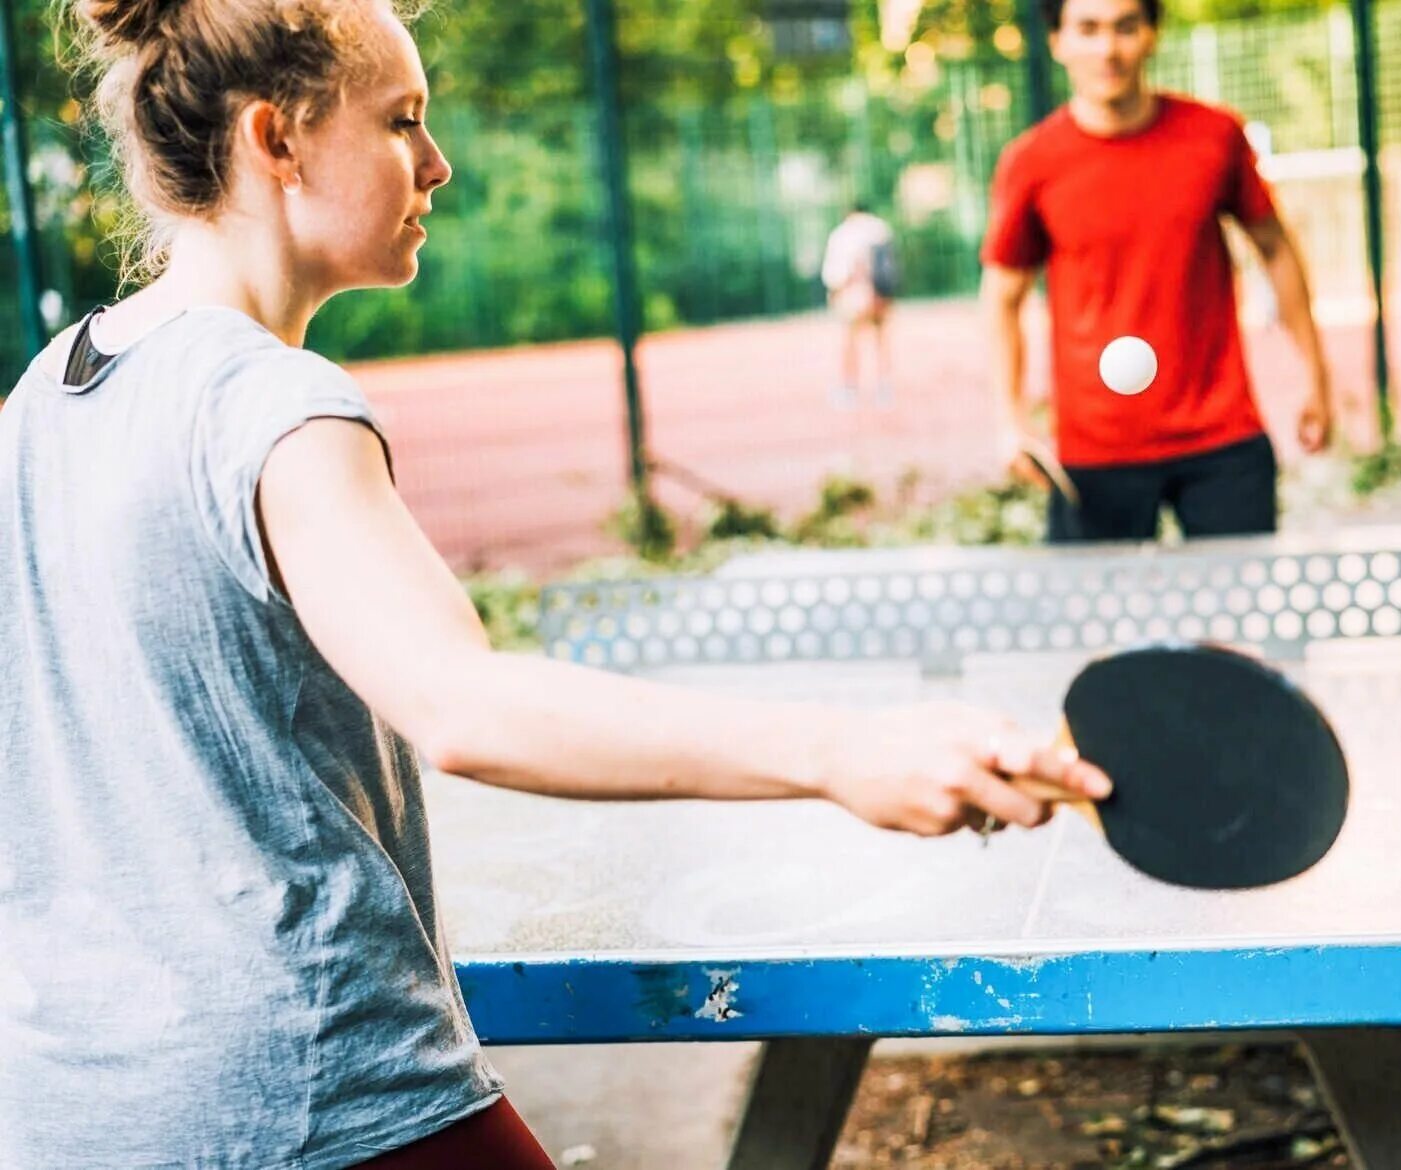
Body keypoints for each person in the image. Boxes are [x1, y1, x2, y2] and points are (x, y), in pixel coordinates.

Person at [0, 2, 1110, 1166]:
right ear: (276, 139)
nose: (437, 163)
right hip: (305, 1092)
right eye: (402, 121)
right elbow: (464, 709)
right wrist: (841, 753)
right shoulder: (275, 409)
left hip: (61, 1108)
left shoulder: (41, 398)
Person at [983, 0, 1335, 545]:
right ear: (1058, 42)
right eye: (1089, 29)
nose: (1108, 49)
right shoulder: (1031, 162)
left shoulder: (1215, 135)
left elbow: (1275, 247)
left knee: (1234, 628)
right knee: (1100, 630)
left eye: (1125, 27)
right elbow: (1003, 296)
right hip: (1094, 451)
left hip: (1221, 437)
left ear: (1151, 35)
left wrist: (1315, 376)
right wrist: (1011, 420)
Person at [820, 200, 899, 408]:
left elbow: (835, 273)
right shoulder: (882, 229)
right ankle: (884, 388)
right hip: (882, 295)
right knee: (881, 342)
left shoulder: (843, 233)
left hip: (854, 294)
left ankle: (849, 389)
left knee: (850, 342)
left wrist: (836, 292)